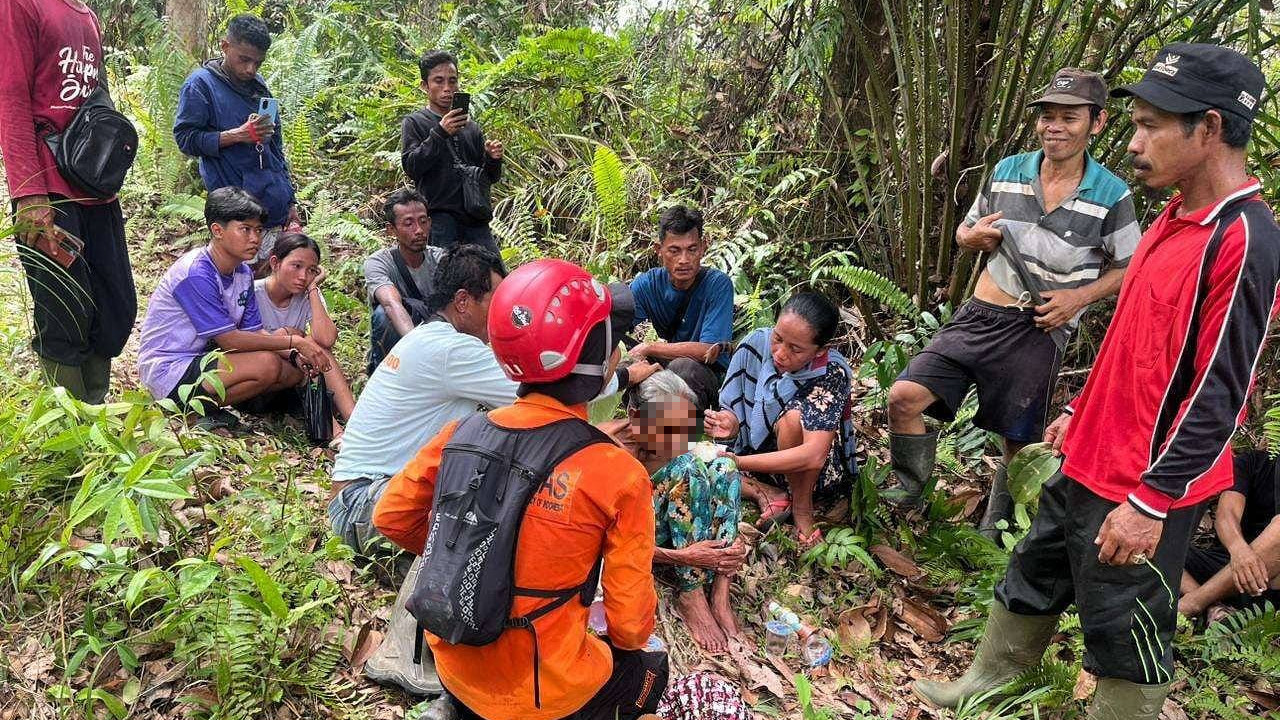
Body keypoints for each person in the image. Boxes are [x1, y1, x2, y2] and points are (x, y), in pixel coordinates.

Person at [913, 45, 1280, 719]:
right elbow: (1137, 341)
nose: (1133, 144)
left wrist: (1152, 502)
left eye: (1150, 127)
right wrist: (1081, 408)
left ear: (1209, 128)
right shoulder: (1173, 217)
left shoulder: (1243, 239)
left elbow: (1220, 392)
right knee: (1035, 568)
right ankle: (990, 682)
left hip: (1145, 477)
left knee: (1125, 621)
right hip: (1091, 449)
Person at [332, 247, 655, 697]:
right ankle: (407, 659)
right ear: (464, 301)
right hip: (362, 499)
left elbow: (530, 415)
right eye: (500, 302)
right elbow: (547, 388)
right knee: (470, 520)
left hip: (372, 497)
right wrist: (631, 376)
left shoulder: (454, 408)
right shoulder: (453, 351)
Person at [884, 68, 1141, 540]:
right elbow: (966, 230)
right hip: (981, 313)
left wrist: (1078, 298)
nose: (1054, 127)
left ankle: (995, 533)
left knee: (1019, 442)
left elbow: (1131, 267)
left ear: (1097, 123)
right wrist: (971, 238)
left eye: (1069, 117)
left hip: (1040, 326)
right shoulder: (1008, 171)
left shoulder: (1111, 195)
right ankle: (909, 495)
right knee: (903, 397)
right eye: (1047, 116)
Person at [0, 0, 136, 403]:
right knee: (64, 311)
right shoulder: (21, 5)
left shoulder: (87, 15)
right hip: (48, 189)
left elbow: (97, 101)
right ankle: (73, 424)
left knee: (115, 306)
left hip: (95, 185)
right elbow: (10, 98)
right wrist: (28, 193)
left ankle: (94, 409)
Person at [137, 187, 329, 427]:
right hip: (170, 368)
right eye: (245, 229)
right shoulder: (196, 273)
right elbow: (229, 340)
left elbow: (254, 332)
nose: (255, 238)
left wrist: (293, 354)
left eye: (258, 230)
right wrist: (295, 342)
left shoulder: (243, 273)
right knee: (267, 365)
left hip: (205, 358)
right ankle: (189, 412)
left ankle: (207, 409)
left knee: (292, 372)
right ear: (217, 230)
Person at [603, 370, 747, 652]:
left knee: (725, 467)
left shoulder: (670, 440)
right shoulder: (607, 449)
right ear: (634, 416)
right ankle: (691, 594)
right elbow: (604, 541)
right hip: (637, 538)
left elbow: (712, 478)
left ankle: (721, 591)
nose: (678, 438)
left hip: (675, 527)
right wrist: (683, 556)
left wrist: (732, 534)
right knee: (686, 467)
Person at [705, 292, 859, 547]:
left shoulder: (830, 372)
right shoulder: (756, 343)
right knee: (681, 455)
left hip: (805, 472)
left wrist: (737, 462)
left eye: (795, 349)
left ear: (820, 350)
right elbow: (735, 407)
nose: (780, 353)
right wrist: (730, 424)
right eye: (777, 338)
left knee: (793, 419)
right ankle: (762, 490)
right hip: (753, 455)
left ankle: (801, 507)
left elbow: (813, 455)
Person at [173, 13, 300, 271]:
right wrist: (237, 135)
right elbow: (185, 139)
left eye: (258, 63)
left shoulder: (258, 85)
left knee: (270, 283)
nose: (250, 69)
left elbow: (275, 147)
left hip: (273, 207)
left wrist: (290, 200)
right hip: (236, 212)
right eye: (244, 59)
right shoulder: (201, 85)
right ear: (225, 46)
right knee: (239, 281)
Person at [621, 205, 735, 412]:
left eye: (692, 249)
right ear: (659, 250)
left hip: (706, 373)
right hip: (669, 365)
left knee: (683, 368)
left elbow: (708, 351)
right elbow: (620, 329)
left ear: (703, 247)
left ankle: (684, 430)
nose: (684, 260)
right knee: (626, 363)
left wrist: (650, 347)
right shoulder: (647, 285)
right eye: (674, 251)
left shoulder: (717, 285)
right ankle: (636, 422)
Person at [253, 232, 356, 434]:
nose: (303, 276)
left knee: (315, 345)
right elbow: (250, 339)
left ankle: (355, 422)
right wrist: (291, 340)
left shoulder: (308, 293)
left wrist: (313, 288)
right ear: (275, 263)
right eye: (296, 266)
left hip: (293, 380)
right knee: (295, 337)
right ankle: (334, 431)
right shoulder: (253, 293)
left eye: (311, 270)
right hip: (261, 381)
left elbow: (326, 338)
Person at [400, 50, 503, 252]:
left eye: (452, 81)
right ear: (424, 85)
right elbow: (412, 167)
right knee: (445, 270)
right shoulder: (415, 122)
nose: (447, 88)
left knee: (493, 269)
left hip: (475, 217)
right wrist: (440, 132)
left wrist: (493, 159)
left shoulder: (471, 127)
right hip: (439, 218)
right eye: (439, 81)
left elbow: (488, 178)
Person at [1178, 449, 1280, 617]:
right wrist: (1239, 550)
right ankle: (1214, 608)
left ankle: (1193, 604)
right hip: (1227, 565)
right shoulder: (1252, 461)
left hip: (1265, 583)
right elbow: (1226, 514)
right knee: (1154, 542)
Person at [365, 189, 443, 371]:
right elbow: (391, 304)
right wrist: (418, 347)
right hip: (404, 338)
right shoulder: (379, 262)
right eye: (408, 224)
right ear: (391, 230)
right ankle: (387, 374)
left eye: (423, 222)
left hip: (437, 332)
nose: (419, 230)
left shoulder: (441, 259)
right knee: (383, 316)